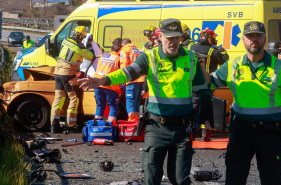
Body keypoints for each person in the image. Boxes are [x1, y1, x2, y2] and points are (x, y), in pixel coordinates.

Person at [78, 18, 213, 185]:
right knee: (151, 177)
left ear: (181, 37)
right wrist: (102, 80)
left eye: (176, 37)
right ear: (161, 36)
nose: (173, 42)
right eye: (169, 37)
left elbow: (203, 90)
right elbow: (126, 73)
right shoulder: (149, 57)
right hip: (157, 128)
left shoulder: (191, 58)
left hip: (182, 129)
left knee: (180, 179)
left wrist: (206, 117)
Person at [209, 21, 281, 185]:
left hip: (270, 133)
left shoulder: (280, 67)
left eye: (258, 36)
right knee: (234, 179)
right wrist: (197, 67)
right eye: (250, 36)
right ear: (243, 39)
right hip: (240, 132)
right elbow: (209, 82)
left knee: (271, 180)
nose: (254, 40)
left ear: (265, 38)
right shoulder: (232, 65)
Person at [50, 26, 94, 133]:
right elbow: (90, 56)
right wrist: (89, 46)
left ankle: (53, 125)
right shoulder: (80, 47)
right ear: (83, 36)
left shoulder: (66, 41)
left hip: (58, 73)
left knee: (59, 98)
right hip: (68, 75)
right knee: (74, 98)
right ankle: (71, 125)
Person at [190, 28, 229, 141]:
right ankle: (205, 133)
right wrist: (222, 51)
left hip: (192, 82)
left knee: (193, 106)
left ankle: (191, 132)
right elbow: (225, 61)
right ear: (210, 38)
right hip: (207, 83)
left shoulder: (191, 48)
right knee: (207, 107)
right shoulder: (214, 51)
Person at [93, 38, 122, 122]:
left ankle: (97, 127)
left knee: (100, 105)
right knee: (113, 106)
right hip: (110, 85)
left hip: (98, 83)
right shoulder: (118, 58)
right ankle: (111, 127)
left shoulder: (103, 56)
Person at [120, 38, 145, 120]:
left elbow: (124, 66)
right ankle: (137, 124)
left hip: (132, 80)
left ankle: (132, 123)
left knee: (130, 103)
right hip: (142, 80)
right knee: (137, 103)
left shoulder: (125, 50)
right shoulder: (141, 51)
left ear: (123, 44)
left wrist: (123, 80)